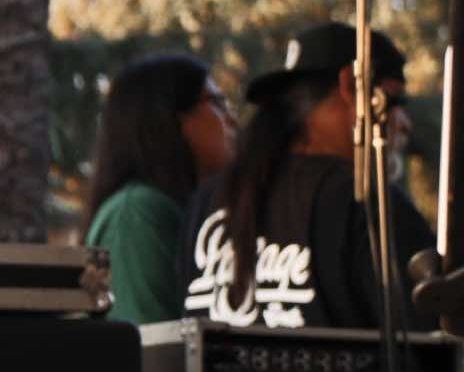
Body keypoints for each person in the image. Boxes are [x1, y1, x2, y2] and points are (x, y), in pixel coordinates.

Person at [177, 21, 432, 331]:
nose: (404, 123)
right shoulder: (364, 201)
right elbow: (432, 344)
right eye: (396, 100)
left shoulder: (207, 200)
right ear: (351, 86)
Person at [83, 52, 237, 325]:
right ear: (169, 117)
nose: (233, 120)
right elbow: (148, 344)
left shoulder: (170, 210)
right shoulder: (136, 214)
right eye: (218, 104)